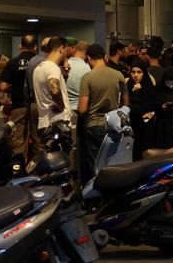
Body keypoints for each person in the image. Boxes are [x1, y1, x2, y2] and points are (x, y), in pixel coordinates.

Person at [78, 44, 128, 182]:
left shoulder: (87, 77)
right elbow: (126, 102)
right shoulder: (118, 75)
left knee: (95, 167)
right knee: (111, 163)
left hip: (94, 126)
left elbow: (82, 109)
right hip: (114, 126)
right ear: (105, 57)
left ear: (88, 58)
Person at [2, 35, 38, 157]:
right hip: (37, 106)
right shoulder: (41, 63)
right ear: (35, 47)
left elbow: (3, 86)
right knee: (38, 142)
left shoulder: (12, 62)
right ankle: (38, 171)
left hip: (18, 106)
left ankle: (19, 171)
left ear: (20, 46)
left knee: (18, 142)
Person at [32, 36, 72, 141]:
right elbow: (54, 90)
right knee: (61, 156)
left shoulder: (39, 68)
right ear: (61, 49)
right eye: (66, 50)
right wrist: (61, 106)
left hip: (44, 123)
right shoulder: (52, 67)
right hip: (57, 124)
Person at [128, 60, 160, 158]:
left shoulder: (149, 88)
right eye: (133, 72)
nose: (136, 75)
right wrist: (134, 92)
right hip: (133, 129)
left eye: (139, 72)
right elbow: (129, 108)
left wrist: (152, 113)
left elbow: (154, 106)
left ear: (144, 73)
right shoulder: (128, 87)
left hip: (147, 130)